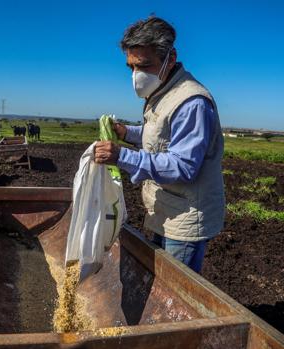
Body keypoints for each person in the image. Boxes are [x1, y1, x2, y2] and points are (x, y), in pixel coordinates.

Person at [94, 16, 225, 273]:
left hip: (185, 218)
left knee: (175, 286)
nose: (136, 76)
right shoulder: (163, 91)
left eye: (144, 66)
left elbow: (183, 165)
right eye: (131, 68)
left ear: (170, 58)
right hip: (165, 209)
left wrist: (123, 156)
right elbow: (161, 134)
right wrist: (127, 132)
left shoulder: (191, 102)